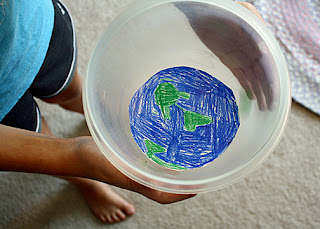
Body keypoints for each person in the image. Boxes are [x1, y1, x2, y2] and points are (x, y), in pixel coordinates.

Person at [0, 0, 266, 224]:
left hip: (35, 26)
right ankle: (85, 181)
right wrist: (79, 157)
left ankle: (93, 111)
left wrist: (197, 6)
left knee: (69, 88)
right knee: (37, 136)